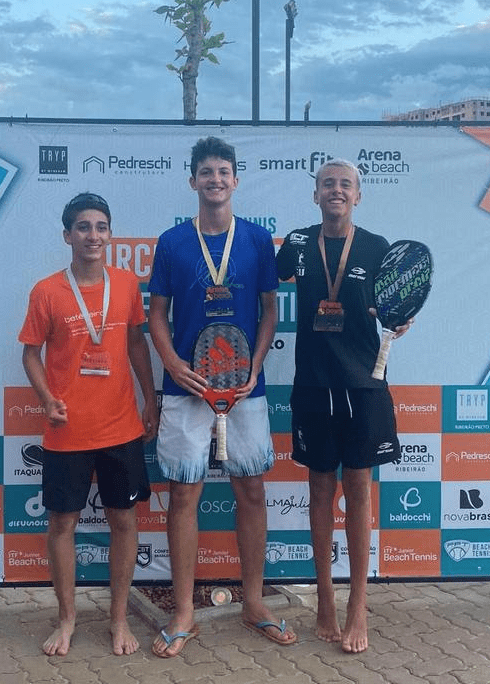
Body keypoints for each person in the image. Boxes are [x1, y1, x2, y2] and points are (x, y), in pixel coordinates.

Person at [148, 136, 297, 658]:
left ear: (236, 180)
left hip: (244, 389)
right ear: (192, 181)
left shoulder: (258, 241)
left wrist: (255, 365)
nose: (215, 179)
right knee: (184, 496)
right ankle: (185, 611)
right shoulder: (171, 243)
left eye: (223, 172)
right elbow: (156, 315)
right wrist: (171, 363)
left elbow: (270, 312)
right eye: (206, 172)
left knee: (251, 492)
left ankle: (254, 603)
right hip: (185, 388)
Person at [276, 159, 411, 653]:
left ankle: (358, 605)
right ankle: (326, 600)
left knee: (358, 490)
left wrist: (400, 320)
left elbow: (395, 303)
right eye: (327, 184)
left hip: (363, 385)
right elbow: (265, 284)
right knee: (318, 490)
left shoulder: (378, 248)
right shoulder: (295, 243)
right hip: (312, 384)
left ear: (358, 196)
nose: (336, 191)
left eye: (345, 185)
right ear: (315, 196)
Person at [18, 192, 158, 657]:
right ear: (67, 235)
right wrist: (46, 400)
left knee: (123, 521)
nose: (92, 235)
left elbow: (138, 344)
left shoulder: (127, 285)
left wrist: (150, 398)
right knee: (63, 523)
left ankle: (118, 620)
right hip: (67, 431)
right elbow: (30, 353)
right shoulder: (46, 291)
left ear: (110, 235)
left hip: (121, 428)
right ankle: (67, 618)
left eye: (100, 226)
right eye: (83, 227)